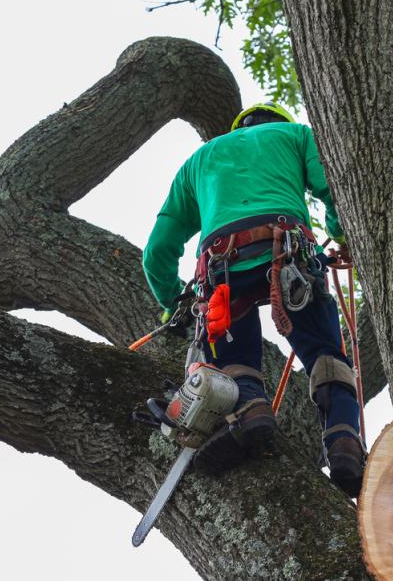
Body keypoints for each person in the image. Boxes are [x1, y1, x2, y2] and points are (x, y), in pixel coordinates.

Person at [142, 101, 365, 497]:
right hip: (291, 253)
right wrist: (341, 232)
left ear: (238, 127)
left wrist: (172, 300)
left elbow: (159, 248)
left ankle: (250, 411)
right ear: (280, 121)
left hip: (223, 267)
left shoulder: (201, 159)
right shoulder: (298, 136)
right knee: (327, 354)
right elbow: (335, 188)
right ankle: (344, 442)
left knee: (234, 358)